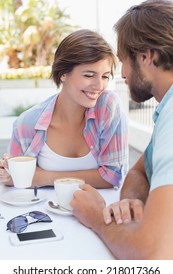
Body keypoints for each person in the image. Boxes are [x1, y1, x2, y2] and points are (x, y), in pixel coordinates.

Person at [71, 0, 173, 259]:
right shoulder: (165, 111)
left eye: (123, 61)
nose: (123, 74)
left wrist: (96, 216)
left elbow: (153, 256)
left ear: (146, 57)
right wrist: (130, 200)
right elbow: (140, 170)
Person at [0, 29, 128, 189]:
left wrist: (43, 177)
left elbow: (113, 177)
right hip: (43, 213)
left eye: (105, 76)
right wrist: (8, 174)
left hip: (96, 212)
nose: (99, 85)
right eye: (89, 75)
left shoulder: (107, 107)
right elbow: (14, 182)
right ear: (63, 73)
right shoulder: (26, 124)